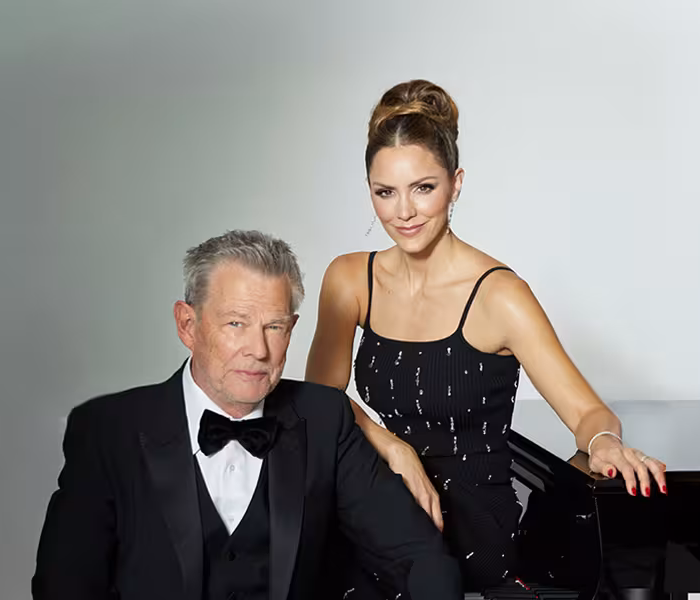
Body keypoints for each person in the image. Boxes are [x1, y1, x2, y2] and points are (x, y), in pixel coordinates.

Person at [305, 79, 667, 595]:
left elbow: (587, 412)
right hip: (379, 494)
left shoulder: (500, 295)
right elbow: (320, 402)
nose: (403, 212)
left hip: (468, 523)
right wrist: (394, 449)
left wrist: (605, 441)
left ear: (456, 183)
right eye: (385, 192)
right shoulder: (348, 280)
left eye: (423, 188)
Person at [32, 229, 463, 600]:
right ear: (187, 325)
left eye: (274, 327)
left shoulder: (325, 418)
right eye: (236, 323)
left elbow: (417, 557)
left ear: (291, 328)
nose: (259, 350)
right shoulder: (108, 430)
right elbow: (65, 588)